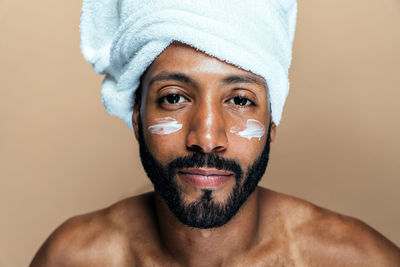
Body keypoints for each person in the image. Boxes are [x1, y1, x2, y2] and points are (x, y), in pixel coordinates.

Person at [30, 0, 400, 266]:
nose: (207, 138)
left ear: (272, 123)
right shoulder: (72, 258)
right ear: (137, 117)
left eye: (239, 100)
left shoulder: (358, 260)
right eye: (173, 97)